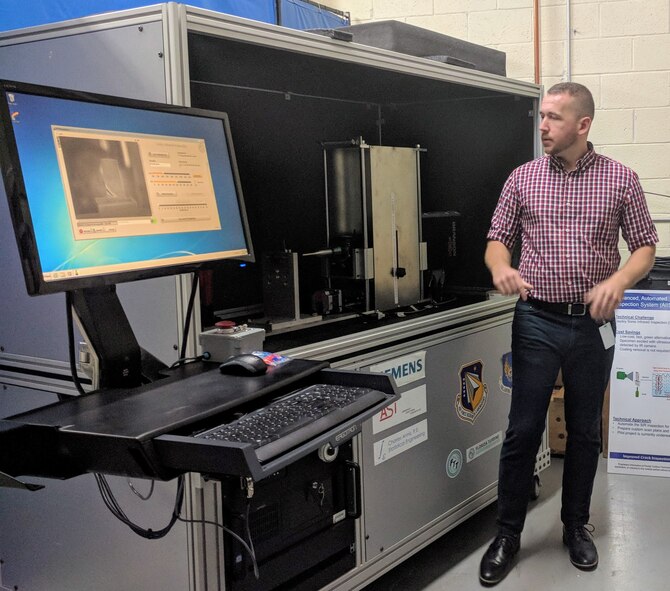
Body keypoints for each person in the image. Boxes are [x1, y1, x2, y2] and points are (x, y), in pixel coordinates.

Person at [479, 82, 658, 586]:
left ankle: (575, 525)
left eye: (554, 118)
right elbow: (497, 240)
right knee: (522, 429)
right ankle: (508, 533)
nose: (542, 127)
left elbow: (644, 246)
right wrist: (501, 268)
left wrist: (619, 280)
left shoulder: (621, 180)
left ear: (583, 125)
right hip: (536, 317)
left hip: (593, 324)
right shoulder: (523, 178)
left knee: (584, 431)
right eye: (541, 117)